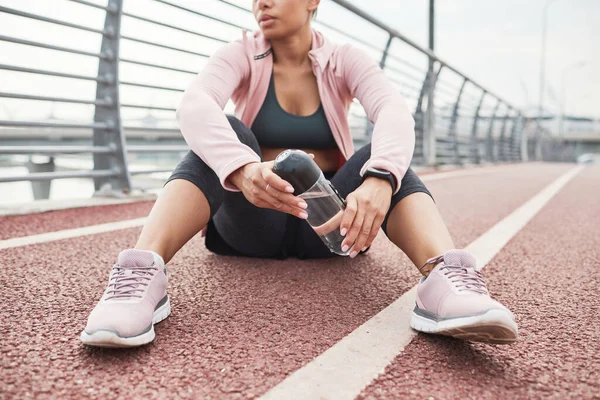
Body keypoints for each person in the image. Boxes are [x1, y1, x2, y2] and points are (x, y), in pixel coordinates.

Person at [80, 0, 517, 348]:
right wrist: (244, 167)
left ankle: (447, 281)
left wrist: (380, 178)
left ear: (313, 1)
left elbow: (393, 112)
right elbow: (194, 105)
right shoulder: (240, 54)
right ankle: (139, 278)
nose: (261, 3)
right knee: (226, 132)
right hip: (253, 221)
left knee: (379, 157)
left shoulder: (345, 60)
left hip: (330, 228)